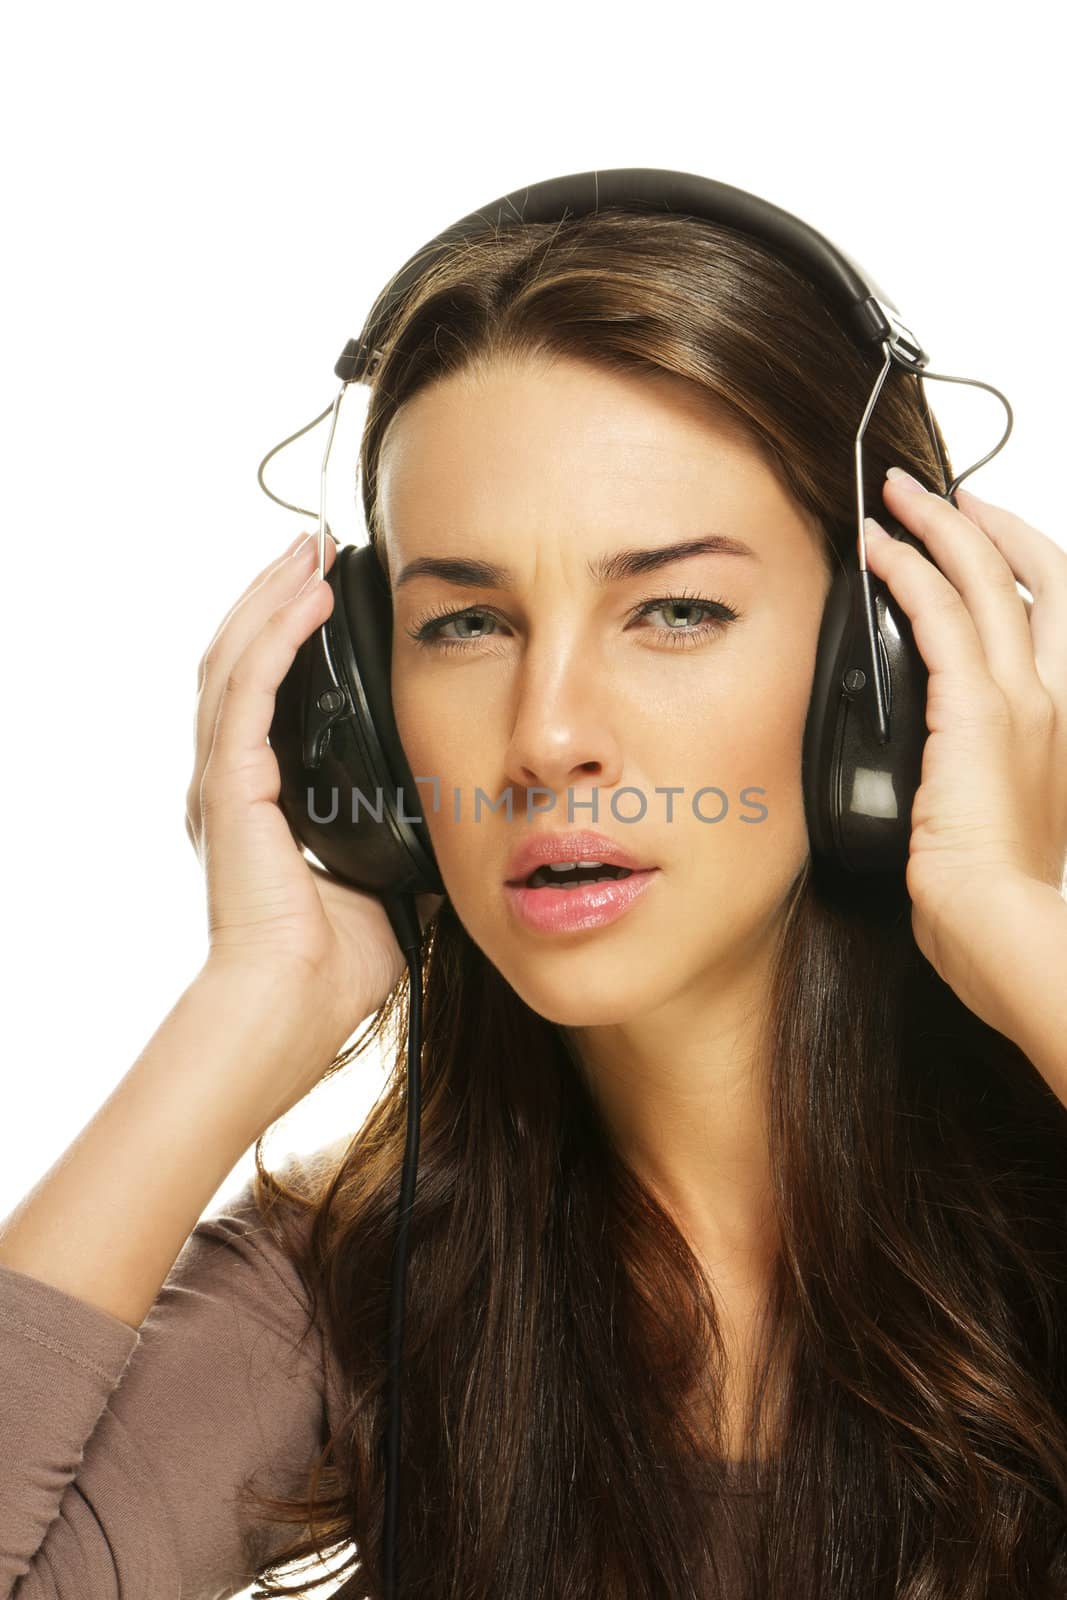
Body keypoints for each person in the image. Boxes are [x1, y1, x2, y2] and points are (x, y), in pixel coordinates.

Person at [2, 206, 1066, 1600]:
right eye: (466, 624)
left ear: (889, 678)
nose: (547, 734)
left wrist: (1018, 917)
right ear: (367, 721)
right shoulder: (360, 1290)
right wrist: (249, 1001)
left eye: (675, 610)